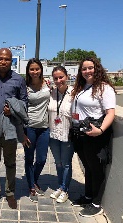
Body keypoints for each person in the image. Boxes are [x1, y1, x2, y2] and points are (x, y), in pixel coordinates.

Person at [70, 57, 116, 217]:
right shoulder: (83, 87)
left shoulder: (104, 88)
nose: (87, 71)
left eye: (90, 68)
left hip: (94, 135)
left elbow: (110, 113)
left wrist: (101, 130)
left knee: (96, 169)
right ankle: (88, 196)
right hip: (80, 134)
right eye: (84, 69)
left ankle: (96, 203)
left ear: (97, 69)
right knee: (88, 167)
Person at [0, 48, 28, 209]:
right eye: (1, 59)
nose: (3, 62)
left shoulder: (18, 79)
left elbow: (24, 102)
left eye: (7, 59)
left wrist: (13, 111)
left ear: (11, 61)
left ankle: (10, 193)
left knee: (10, 161)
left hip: (10, 124)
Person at [22, 58, 50, 203]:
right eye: (31, 69)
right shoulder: (24, 87)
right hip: (29, 127)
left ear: (41, 70)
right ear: (28, 71)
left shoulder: (48, 84)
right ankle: (31, 186)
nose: (34, 72)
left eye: (37, 69)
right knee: (28, 158)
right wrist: (22, 132)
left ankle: (34, 180)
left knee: (41, 159)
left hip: (44, 128)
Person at [48, 66, 74, 203]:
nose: (58, 80)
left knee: (66, 163)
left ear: (67, 77)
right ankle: (60, 186)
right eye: (56, 78)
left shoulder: (74, 93)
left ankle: (65, 189)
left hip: (67, 134)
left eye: (61, 77)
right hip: (53, 134)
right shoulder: (52, 92)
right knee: (58, 163)